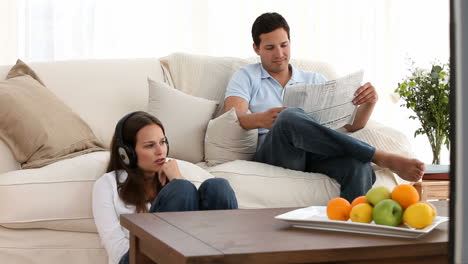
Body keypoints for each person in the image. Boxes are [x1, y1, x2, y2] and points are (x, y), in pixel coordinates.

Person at [224, 12, 425, 201]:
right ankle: (379, 156)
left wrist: (370, 103)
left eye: (284, 45)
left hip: (314, 152)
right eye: (270, 48)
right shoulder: (246, 75)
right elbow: (232, 116)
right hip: (275, 153)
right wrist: (261, 119)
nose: (280, 53)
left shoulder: (314, 79)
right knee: (288, 117)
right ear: (256, 48)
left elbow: (351, 126)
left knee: (359, 165)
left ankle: (349, 229)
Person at [92, 111, 238, 264]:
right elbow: (115, 249)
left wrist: (176, 178)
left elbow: (195, 237)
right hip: (135, 259)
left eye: (163, 142)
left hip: (185, 258)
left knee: (218, 187)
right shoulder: (107, 185)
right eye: (150, 145)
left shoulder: (174, 173)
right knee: (181, 189)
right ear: (126, 154)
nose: (160, 151)